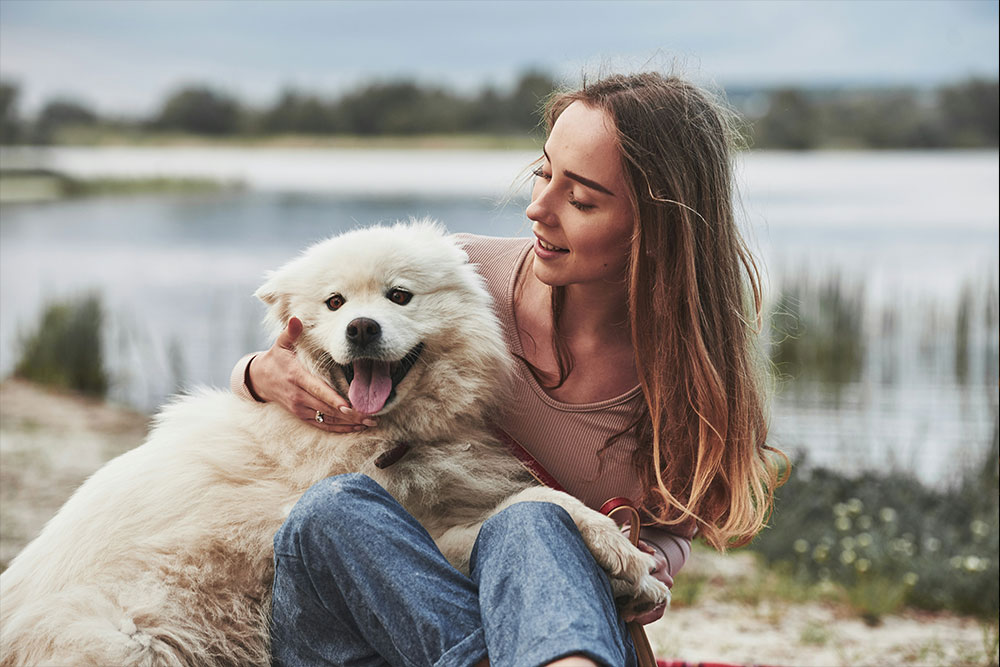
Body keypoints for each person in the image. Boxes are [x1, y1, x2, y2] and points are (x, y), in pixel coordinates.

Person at [230, 72, 785, 667]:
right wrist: (259, 373)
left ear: (655, 229)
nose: (537, 209)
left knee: (532, 523)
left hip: (550, 618)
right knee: (330, 510)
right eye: (543, 174)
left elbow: (681, 524)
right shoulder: (450, 277)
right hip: (391, 614)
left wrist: (648, 562)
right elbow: (304, 332)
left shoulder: (688, 376)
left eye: (580, 199)